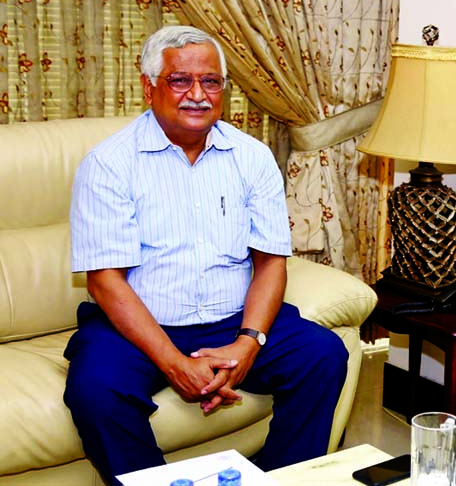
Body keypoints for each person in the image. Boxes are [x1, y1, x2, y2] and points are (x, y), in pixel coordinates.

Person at [64, 25, 348, 485]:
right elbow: (105, 282)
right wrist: (176, 365)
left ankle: (277, 480)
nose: (197, 94)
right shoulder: (109, 164)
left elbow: (271, 262)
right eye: (180, 80)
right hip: (137, 327)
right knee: (96, 390)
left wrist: (247, 342)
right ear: (148, 85)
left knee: (322, 354)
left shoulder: (251, 158)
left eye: (211, 81)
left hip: (232, 319)